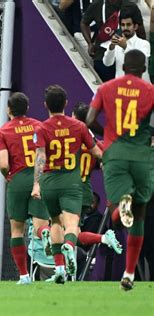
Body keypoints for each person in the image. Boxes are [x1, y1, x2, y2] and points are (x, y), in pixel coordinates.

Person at [86, 49, 153, 290]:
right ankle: (129, 273)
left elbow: (90, 120)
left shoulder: (106, 89)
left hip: (115, 154)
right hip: (141, 154)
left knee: (117, 212)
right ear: (143, 68)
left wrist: (108, 135)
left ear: (123, 66)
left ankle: (123, 205)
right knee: (140, 215)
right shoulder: (150, 91)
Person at [31, 85, 103, 284]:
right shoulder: (79, 127)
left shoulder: (42, 128)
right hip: (71, 183)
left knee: (55, 222)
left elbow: (41, 157)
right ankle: (70, 247)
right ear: (66, 103)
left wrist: (37, 184)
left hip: (49, 182)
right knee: (71, 224)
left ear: (45, 105)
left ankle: (60, 269)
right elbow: (97, 151)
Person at [0, 92, 51, 285]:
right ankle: (45, 233)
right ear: (27, 108)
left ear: (8, 109)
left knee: (17, 231)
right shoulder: (39, 126)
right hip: (39, 178)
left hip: (17, 180)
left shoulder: (3, 131)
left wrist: (8, 176)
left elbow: (3, 164)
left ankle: (23, 276)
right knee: (40, 225)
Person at [72, 102, 122, 254]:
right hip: (84, 192)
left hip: (68, 190)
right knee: (72, 233)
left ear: (74, 117)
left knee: (64, 233)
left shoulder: (69, 138)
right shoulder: (95, 144)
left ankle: (102, 238)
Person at [80, 0, 145, 81]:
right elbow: (84, 23)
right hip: (102, 54)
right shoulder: (97, 5)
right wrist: (90, 43)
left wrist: (141, 49)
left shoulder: (131, 7)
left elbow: (140, 29)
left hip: (125, 52)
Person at [102, 8, 151, 82]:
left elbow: (139, 62)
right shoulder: (116, 43)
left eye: (128, 25)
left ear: (135, 27)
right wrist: (111, 48)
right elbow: (107, 63)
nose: (125, 28)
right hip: (121, 89)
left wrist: (125, 47)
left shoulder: (144, 44)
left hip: (141, 89)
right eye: (123, 25)